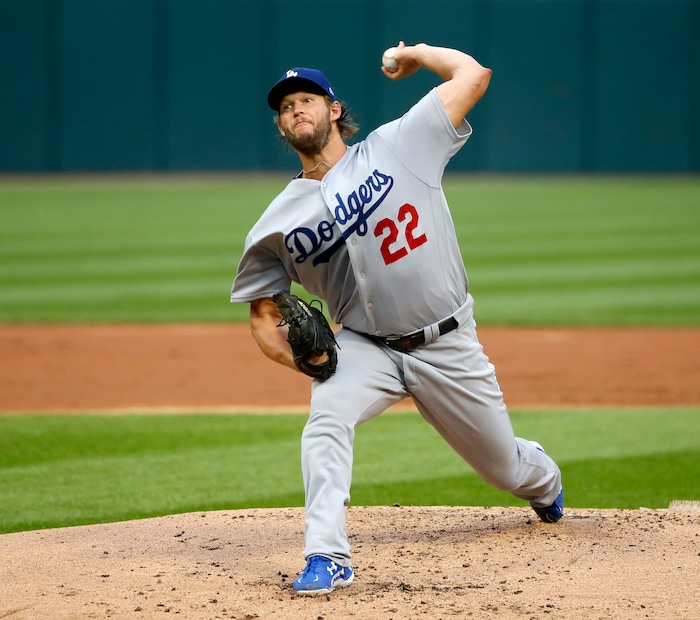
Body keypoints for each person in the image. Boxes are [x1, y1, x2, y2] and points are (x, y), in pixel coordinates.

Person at [229, 41, 564, 596]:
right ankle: (326, 554)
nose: (296, 111)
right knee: (326, 418)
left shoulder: (398, 145)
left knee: (505, 468)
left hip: (447, 342)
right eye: (285, 107)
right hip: (363, 346)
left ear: (335, 110)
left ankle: (543, 477)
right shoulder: (273, 224)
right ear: (280, 128)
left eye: (307, 99)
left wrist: (419, 53)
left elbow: (473, 76)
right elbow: (263, 315)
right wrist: (303, 359)